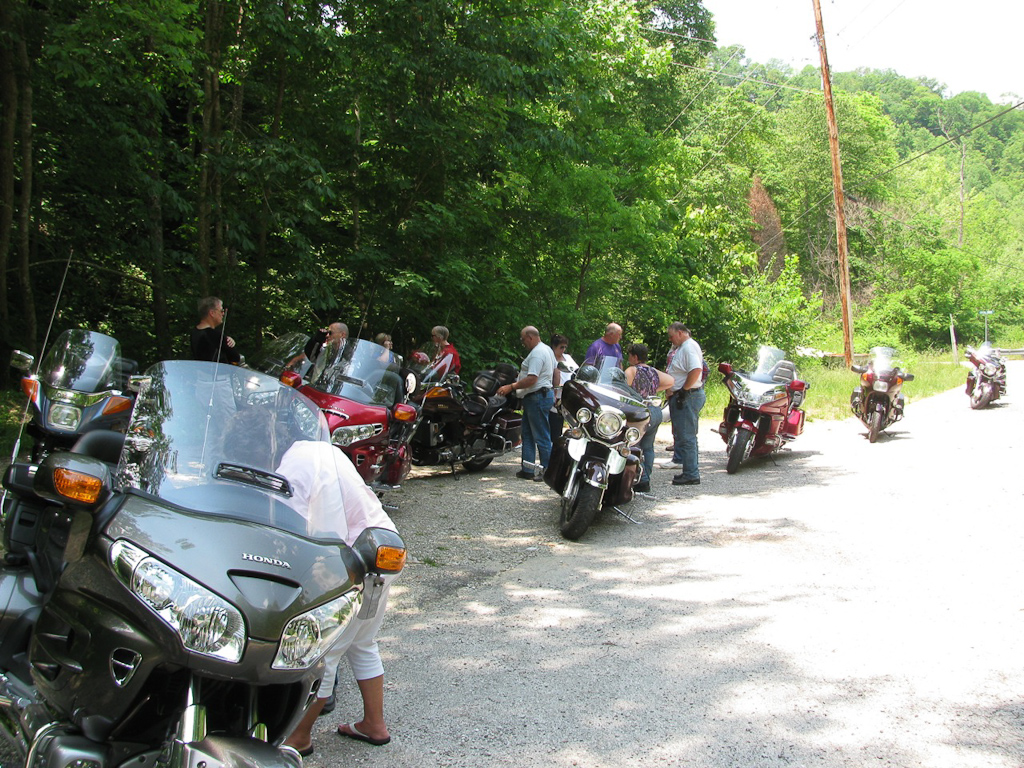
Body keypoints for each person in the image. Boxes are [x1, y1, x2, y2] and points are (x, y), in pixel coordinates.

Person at [277, 434, 399, 755]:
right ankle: (374, 724)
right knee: (362, 642)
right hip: (383, 548)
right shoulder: (325, 451)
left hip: (352, 560)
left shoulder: (294, 463)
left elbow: (292, 524)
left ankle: (299, 736)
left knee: (324, 653)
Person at [497, 326, 556, 481]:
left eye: (523, 339)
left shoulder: (537, 353)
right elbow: (555, 371)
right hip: (540, 395)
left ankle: (547, 471)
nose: (523, 343)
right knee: (527, 434)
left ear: (530, 337)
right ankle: (527, 469)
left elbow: (532, 379)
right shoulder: (547, 350)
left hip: (537, 396)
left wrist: (511, 386)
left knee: (541, 435)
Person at [624, 343, 674, 493]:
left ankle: (641, 480)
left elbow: (623, 389)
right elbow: (671, 380)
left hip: (640, 412)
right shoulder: (653, 371)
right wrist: (654, 389)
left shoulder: (631, 370)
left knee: (634, 445)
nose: (628, 358)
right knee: (648, 447)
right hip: (655, 410)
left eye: (629, 355)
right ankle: (647, 476)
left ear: (635, 356)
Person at [661, 323, 706, 486]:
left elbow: (696, 370)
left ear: (680, 333)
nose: (670, 339)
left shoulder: (689, 347)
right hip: (683, 395)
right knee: (683, 435)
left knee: (687, 436)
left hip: (689, 396)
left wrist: (683, 390)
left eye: (671, 336)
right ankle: (688, 469)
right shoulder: (682, 348)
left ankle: (691, 474)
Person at [190, 296, 241, 364]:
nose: (223, 314)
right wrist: (230, 343)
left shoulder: (194, 332)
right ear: (212, 313)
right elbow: (236, 357)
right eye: (221, 311)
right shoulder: (214, 335)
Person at [549, 334, 578, 438]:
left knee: (574, 424)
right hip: (556, 395)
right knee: (555, 424)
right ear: (554, 346)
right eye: (561, 347)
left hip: (570, 394)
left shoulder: (567, 358)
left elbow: (576, 372)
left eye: (565, 347)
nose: (563, 350)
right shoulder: (550, 358)